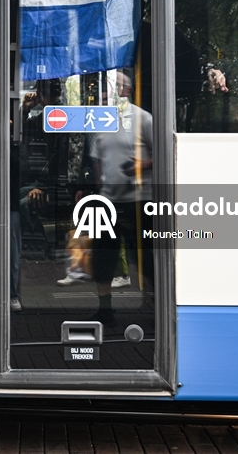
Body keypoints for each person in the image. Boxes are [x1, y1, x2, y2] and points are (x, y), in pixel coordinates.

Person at [87, 70, 154, 326]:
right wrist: (98, 190)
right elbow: (96, 159)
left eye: (114, 87)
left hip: (140, 202)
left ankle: (154, 306)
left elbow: (168, 154)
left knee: (146, 259)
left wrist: (144, 165)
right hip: (109, 202)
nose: (107, 92)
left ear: (127, 90)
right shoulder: (101, 120)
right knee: (102, 258)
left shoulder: (144, 119)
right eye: (106, 88)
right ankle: (105, 311)